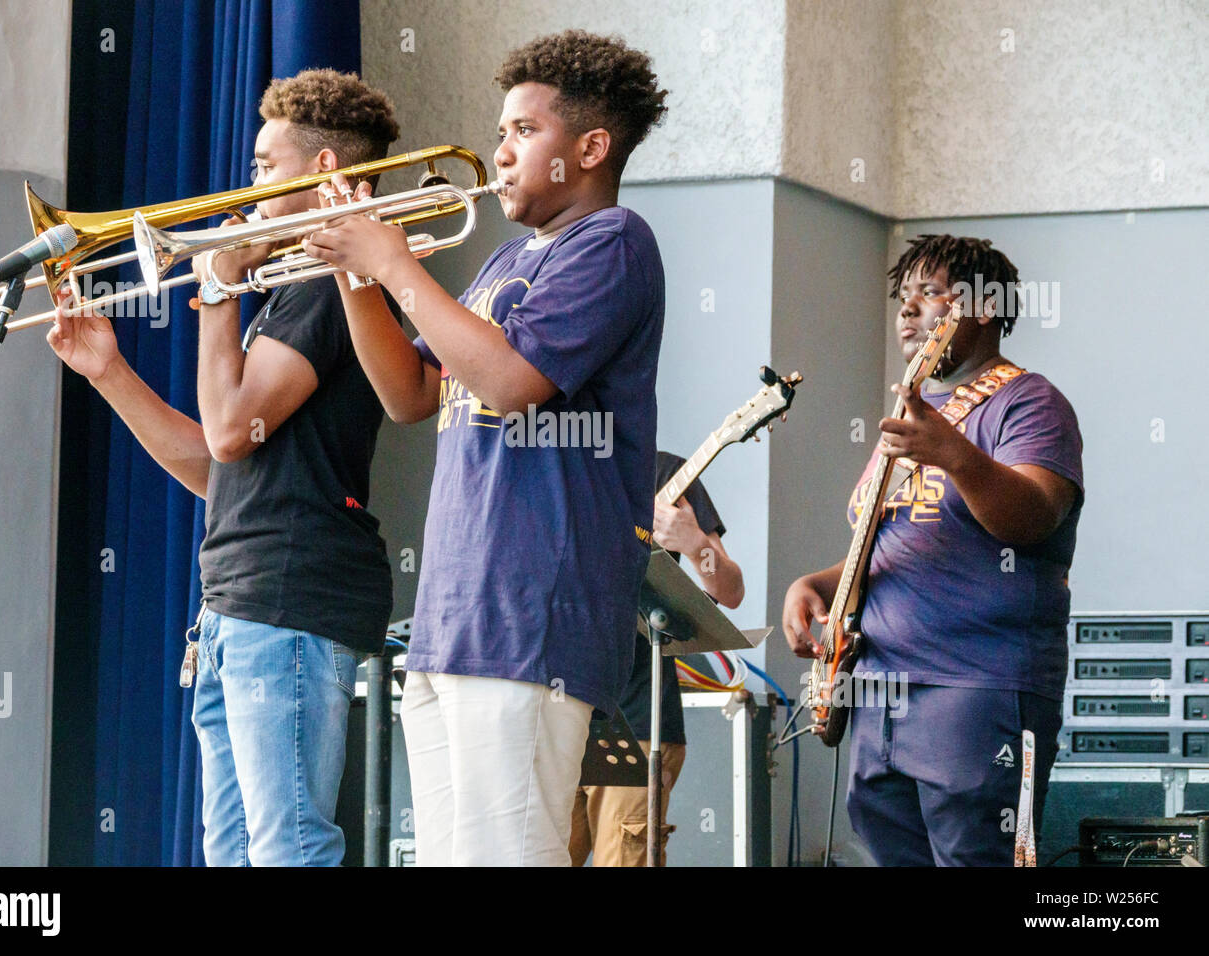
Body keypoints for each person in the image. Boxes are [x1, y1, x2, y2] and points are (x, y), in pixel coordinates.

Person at [304, 30, 669, 866]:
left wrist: (395, 264)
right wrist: (354, 270)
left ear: (589, 147)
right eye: (501, 132)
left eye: (521, 131)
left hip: (529, 614)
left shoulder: (614, 242)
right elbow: (409, 394)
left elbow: (510, 384)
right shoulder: (507, 259)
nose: (499, 152)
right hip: (451, 618)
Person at [47, 69, 400, 866]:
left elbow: (232, 429)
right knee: (234, 852)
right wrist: (108, 371)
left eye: (263, 167)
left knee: (289, 849)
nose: (247, 186)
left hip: (288, 598)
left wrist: (216, 292)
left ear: (322, 173)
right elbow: (220, 470)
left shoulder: (325, 286)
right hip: (239, 604)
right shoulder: (289, 289)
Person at [781, 234, 1084, 866]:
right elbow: (895, 540)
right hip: (877, 688)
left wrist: (954, 454)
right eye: (902, 296)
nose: (908, 309)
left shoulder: (1028, 403)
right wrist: (819, 581)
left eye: (930, 293)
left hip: (978, 690)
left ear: (982, 307)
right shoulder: (914, 413)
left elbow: (1032, 518)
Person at [569, 450, 744, 867]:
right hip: (554, 709)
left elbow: (731, 591)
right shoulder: (553, 462)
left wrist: (695, 544)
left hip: (634, 720)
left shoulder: (665, 473)